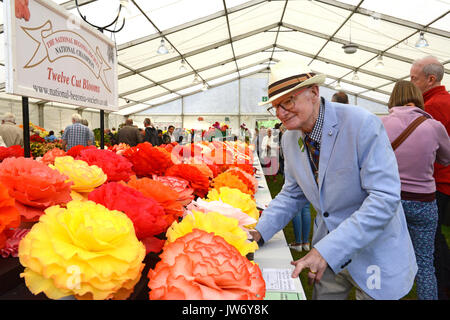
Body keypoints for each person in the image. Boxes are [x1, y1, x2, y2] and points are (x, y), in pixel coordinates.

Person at [250, 58, 417, 300]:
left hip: (373, 251)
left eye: (288, 101)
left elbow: (384, 199)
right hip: (327, 251)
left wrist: (327, 250)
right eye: (275, 106)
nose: (280, 112)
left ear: (314, 92)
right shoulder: (289, 138)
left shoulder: (362, 124)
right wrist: (260, 231)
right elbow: (293, 193)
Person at [381, 80, 450, 300]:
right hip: (424, 202)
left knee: (385, 258)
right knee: (425, 262)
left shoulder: (380, 124)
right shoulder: (434, 126)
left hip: (389, 201)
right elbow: (447, 159)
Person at [410, 55, 450, 300]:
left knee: (433, 246)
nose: (411, 82)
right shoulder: (445, 101)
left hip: (439, 184)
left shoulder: (432, 107)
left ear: (430, 79)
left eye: (414, 78)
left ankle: (443, 287)